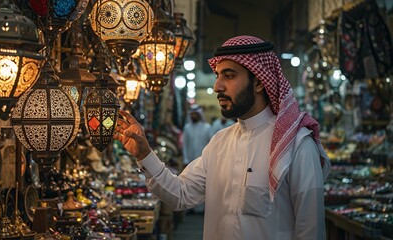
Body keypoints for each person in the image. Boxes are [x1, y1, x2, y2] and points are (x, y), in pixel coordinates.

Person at [114, 35, 331, 239]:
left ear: (258, 82)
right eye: (218, 76)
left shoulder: (297, 145)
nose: (217, 86)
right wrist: (144, 154)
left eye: (229, 76)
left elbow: (310, 231)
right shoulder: (220, 142)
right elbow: (180, 194)